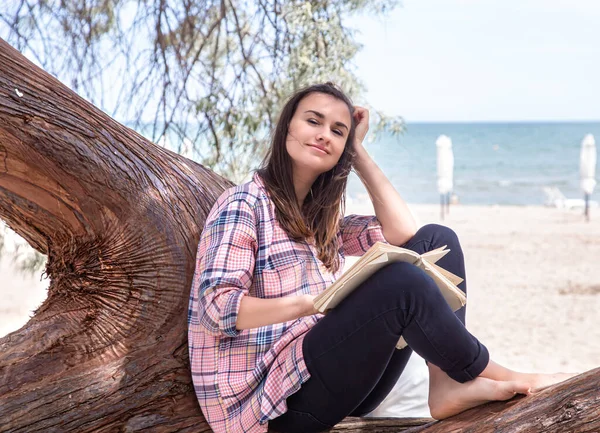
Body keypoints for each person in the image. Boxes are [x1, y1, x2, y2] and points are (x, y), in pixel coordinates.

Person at [187, 83, 573, 433]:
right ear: (287, 125)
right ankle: (501, 373)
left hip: (328, 378)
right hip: (269, 407)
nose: (324, 135)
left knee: (439, 240)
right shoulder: (244, 204)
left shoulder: (322, 218)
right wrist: (311, 304)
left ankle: (446, 384)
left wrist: (358, 154)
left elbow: (404, 233)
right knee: (400, 283)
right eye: (313, 121)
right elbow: (218, 307)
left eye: (338, 131)